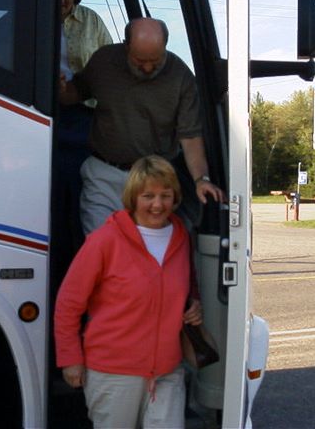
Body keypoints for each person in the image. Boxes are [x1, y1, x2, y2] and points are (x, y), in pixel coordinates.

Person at [54, 155, 203, 428]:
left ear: (175, 198)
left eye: (165, 195)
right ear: (133, 197)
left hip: (167, 372)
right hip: (113, 374)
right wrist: (70, 359)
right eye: (148, 196)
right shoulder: (104, 241)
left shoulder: (181, 237)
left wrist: (194, 303)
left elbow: (188, 283)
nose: (157, 205)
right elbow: (68, 303)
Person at [60, 17, 224, 234]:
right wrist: (61, 89)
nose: (147, 68)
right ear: (126, 46)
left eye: (156, 61)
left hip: (152, 181)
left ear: (165, 47)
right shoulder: (104, 61)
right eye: (140, 61)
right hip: (103, 174)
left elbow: (190, 137)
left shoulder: (182, 78)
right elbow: (76, 92)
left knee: (147, 253)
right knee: (100, 249)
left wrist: (200, 179)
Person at [54, 0, 113, 254]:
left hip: (84, 118)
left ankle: (84, 258)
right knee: (53, 194)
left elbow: (113, 65)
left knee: (83, 192)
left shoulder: (91, 21)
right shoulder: (29, 19)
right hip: (45, 114)